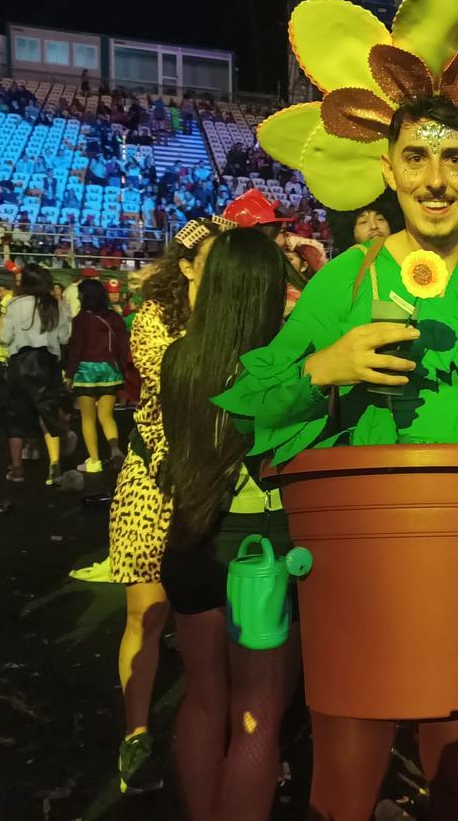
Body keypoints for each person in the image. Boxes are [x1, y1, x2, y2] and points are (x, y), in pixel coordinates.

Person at [215, 0, 458, 821]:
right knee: (346, 768)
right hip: (365, 558)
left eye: (454, 159)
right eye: (417, 160)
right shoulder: (347, 278)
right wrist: (326, 367)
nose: (435, 179)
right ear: (386, 169)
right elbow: (248, 401)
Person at [158, 227, 298, 821]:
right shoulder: (282, 365)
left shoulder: (179, 355)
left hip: (190, 539)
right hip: (258, 550)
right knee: (257, 717)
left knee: (203, 699)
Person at [105, 216, 227, 795]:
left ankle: (214, 728)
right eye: (215, 259)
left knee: (212, 621)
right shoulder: (153, 320)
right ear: (187, 267)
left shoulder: (242, 319)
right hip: (155, 483)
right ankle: (136, 734)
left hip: (220, 486)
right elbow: (183, 381)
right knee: (147, 614)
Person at [0, 264, 72, 486]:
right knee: (48, 414)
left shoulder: (15, 304)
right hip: (47, 363)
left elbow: (5, 337)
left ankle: (18, 470)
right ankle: (54, 466)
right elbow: (64, 338)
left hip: (20, 363)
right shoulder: (57, 305)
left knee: (17, 417)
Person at [66, 279, 129, 474]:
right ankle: (115, 449)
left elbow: (76, 349)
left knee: (88, 418)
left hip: (86, 370)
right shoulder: (115, 318)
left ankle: (94, 460)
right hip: (110, 369)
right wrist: (122, 370)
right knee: (107, 416)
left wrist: (69, 373)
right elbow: (123, 347)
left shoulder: (81, 319)